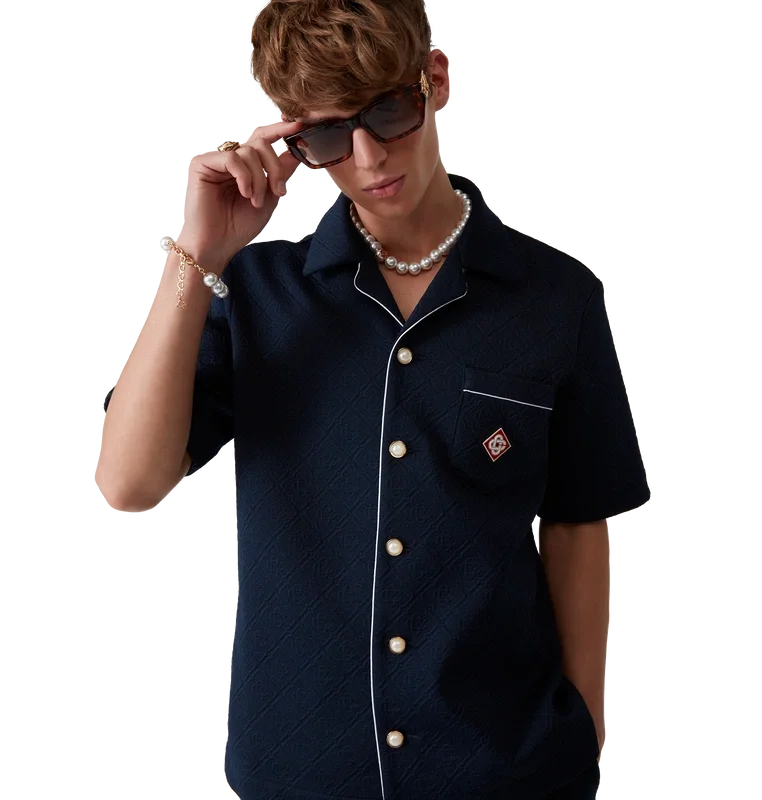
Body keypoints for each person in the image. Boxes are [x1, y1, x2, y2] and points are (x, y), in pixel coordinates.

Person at [94, 1, 650, 797]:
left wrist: (582, 737)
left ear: (436, 79)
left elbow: (577, 522)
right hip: (302, 768)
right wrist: (194, 254)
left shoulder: (556, 298)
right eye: (327, 136)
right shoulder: (258, 295)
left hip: (500, 769)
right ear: (293, 141)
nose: (366, 158)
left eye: (387, 113)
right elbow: (127, 485)